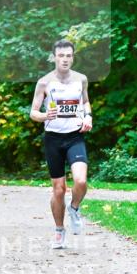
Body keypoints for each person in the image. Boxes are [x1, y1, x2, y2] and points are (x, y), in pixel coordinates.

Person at [29, 39, 93, 249]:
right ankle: (59, 231)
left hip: (75, 136)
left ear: (73, 57)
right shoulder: (44, 82)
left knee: (81, 181)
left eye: (68, 56)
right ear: (54, 57)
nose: (65, 59)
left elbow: (85, 102)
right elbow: (33, 113)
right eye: (61, 56)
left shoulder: (81, 80)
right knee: (58, 189)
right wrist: (46, 115)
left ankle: (74, 208)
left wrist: (88, 117)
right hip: (53, 139)